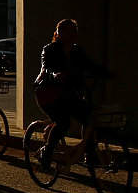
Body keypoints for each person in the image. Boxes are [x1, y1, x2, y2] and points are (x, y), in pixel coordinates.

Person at [34, 18, 107, 167]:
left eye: (74, 31)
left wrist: (107, 74)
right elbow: (46, 68)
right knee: (63, 122)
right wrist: (55, 74)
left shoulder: (77, 51)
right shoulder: (50, 49)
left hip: (68, 94)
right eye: (66, 31)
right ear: (59, 33)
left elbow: (90, 65)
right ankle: (47, 152)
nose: (71, 34)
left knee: (88, 117)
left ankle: (89, 152)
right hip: (48, 93)